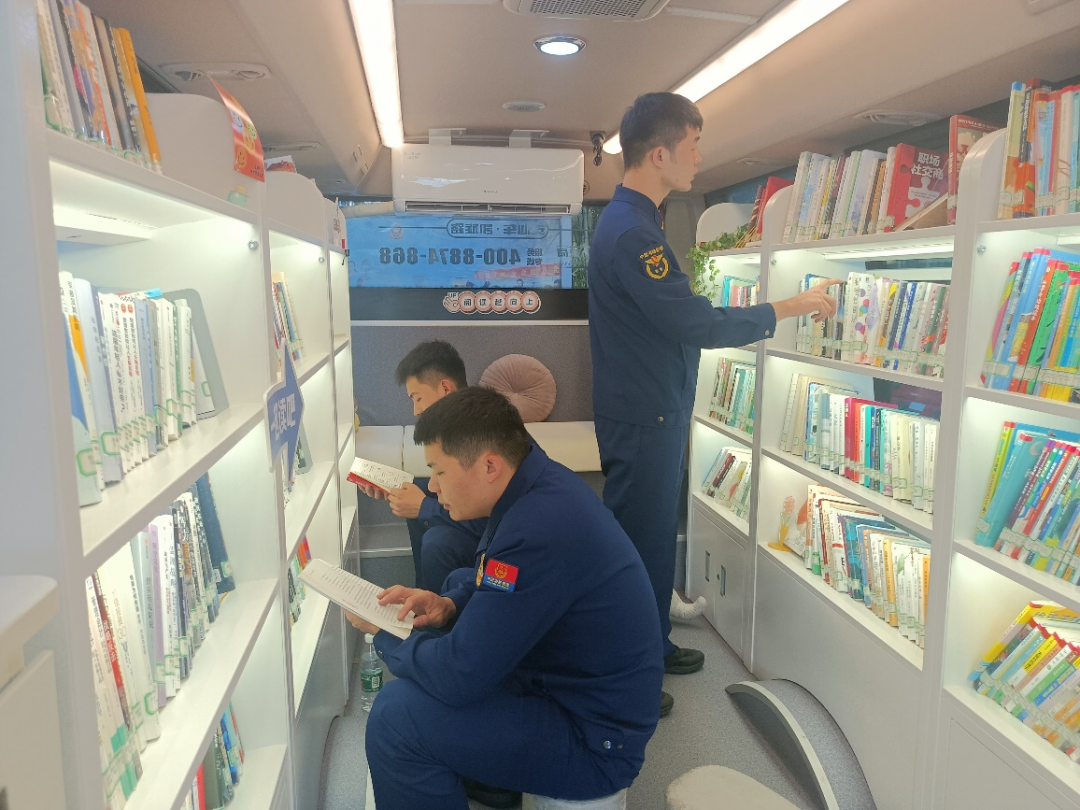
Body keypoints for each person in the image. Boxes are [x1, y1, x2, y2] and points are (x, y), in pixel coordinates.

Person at [588, 92, 841, 714]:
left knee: (651, 541)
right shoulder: (633, 233)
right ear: (659, 153)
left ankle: (651, 643)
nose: (700, 158)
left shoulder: (635, 222)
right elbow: (694, 322)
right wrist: (786, 308)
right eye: (694, 145)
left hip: (649, 407)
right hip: (644, 414)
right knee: (638, 546)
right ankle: (627, 678)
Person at [345, 387, 664, 809]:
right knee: (457, 584)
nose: (433, 487)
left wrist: (387, 631)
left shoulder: (537, 528)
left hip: (593, 740)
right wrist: (449, 605)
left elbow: (459, 675)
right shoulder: (537, 483)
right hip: (570, 685)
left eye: (439, 471)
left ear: (489, 465)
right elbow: (493, 578)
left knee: (395, 717)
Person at [357, 340, 486, 593]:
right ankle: (424, 595)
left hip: (498, 536)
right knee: (416, 507)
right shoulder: (458, 423)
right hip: (483, 525)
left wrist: (425, 506)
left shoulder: (478, 434)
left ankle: (437, 609)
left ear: (445, 388)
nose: (416, 411)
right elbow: (455, 488)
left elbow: (491, 518)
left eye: (418, 398)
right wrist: (400, 489)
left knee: (437, 539)